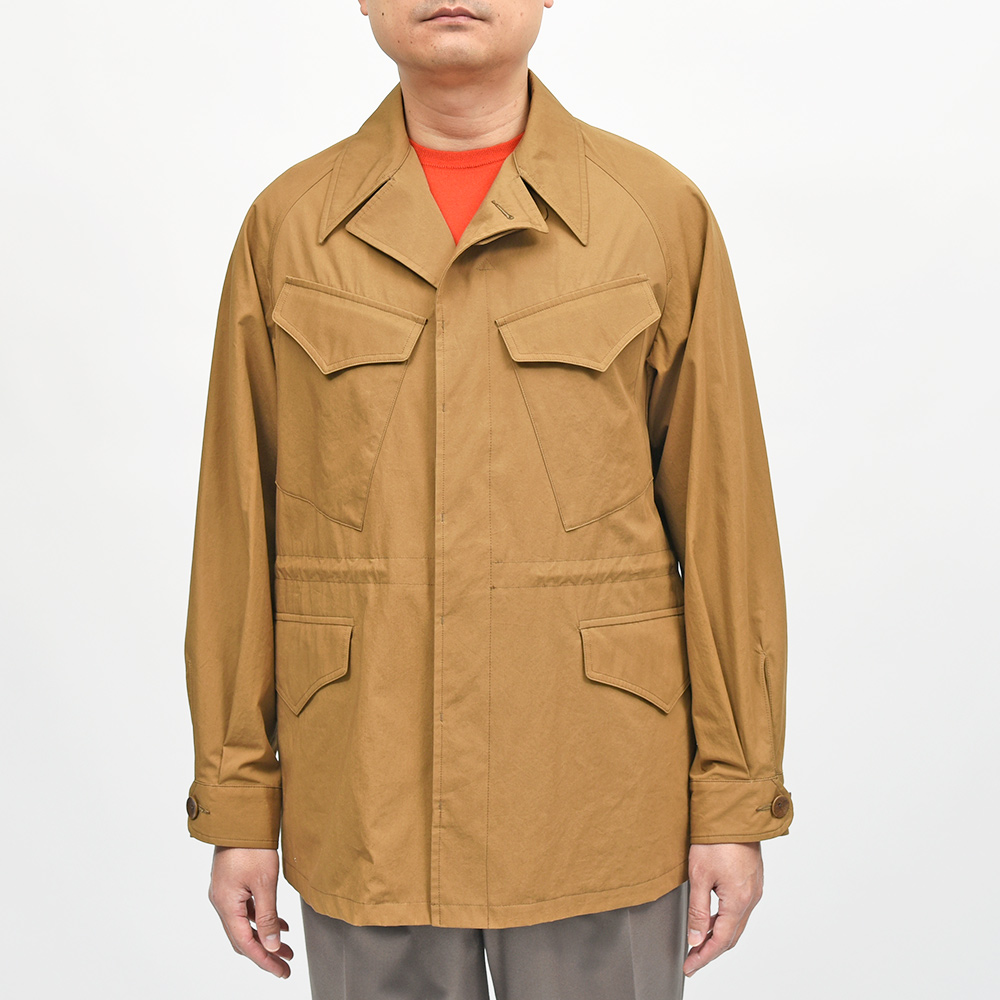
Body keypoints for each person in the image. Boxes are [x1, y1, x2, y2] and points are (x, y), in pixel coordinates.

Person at [182, 2, 795, 996]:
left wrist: (734, 796)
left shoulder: (651, 215)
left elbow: (726, 525)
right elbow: (236, 537)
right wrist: (237, 806)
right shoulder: (290, 227)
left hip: (593, 795)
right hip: (366, 795)